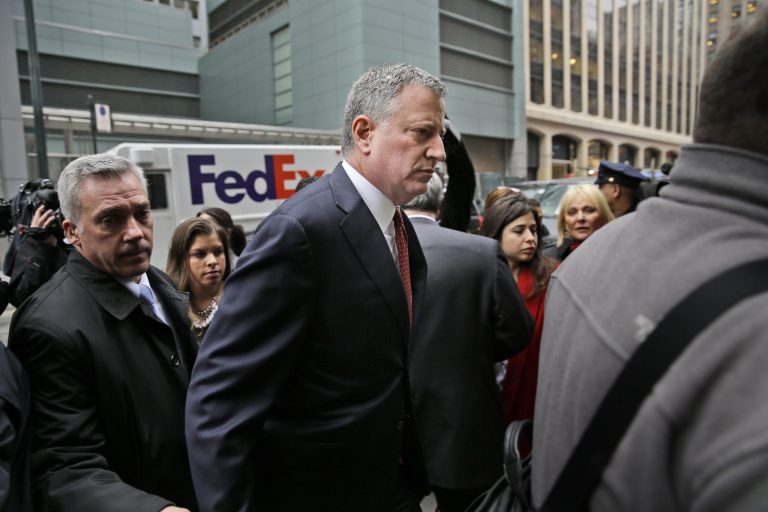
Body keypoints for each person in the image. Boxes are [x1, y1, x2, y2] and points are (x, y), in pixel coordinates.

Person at [531, 11, 768, 511]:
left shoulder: (592, 257)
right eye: (568, 212)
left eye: (586, 208)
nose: (577, 218)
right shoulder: (751, 334)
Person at [185, 63, 447, 512]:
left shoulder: (395, 225)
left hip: (388, 485)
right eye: (423, 133)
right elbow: (218, 404)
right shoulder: (300, 231)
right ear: (364, 132)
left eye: (439, 136)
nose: (439, 151)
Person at [9, 153, 198, 512]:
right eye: (110, 220)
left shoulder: (156, 283)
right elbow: (64, 470)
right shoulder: (47, 326)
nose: (134, 232)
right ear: (71, 232)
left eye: (141, 213)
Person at [404, 174, 533, 512]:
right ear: (439, 202)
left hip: (393, 432)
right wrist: (472, 350)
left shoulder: (371, 252)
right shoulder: (479, 252)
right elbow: (518, 330)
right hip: (464, 426)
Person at [480, 195, 556, 423]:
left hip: (532, 397)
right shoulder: (476, 276)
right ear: (496, 233)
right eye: (519, 230)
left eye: (533, 230)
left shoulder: (551, 279)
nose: (530, 238)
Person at [166, 218, 231, 345]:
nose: (212, 261)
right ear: (181, 259)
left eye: (218, 252)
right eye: (200, 254)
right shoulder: (168, 305)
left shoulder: (238, 297)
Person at [549, 184, 614, 261]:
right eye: (572, 212)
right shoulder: (548, 258)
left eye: (589, 210)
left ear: (604, 214)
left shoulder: (619, 252)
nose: (580, 218)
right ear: (563, 220)